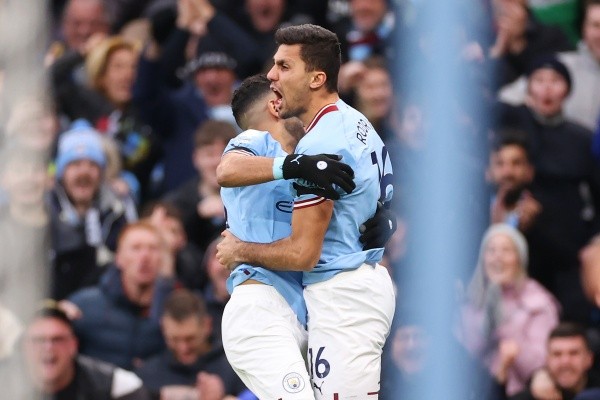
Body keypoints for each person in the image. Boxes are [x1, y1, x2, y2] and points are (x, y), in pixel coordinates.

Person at [216, 24, 395, 398]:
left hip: (331, 299)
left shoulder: (321, 144)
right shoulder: (261, 142)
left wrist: (379, 217)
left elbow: (304, 252)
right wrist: (293, 168)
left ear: (316, 78)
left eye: (283, 67)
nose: (273, 76)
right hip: (265, 307)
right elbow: (226, 170)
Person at [457, 224, 560, 396]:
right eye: (491, 250)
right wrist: (491, 305)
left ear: (520, 259)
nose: (498, 257)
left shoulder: (539, 302)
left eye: (506, 250)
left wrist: (504, 327)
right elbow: (462, 357)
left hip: (522, 393)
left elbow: (540, 364)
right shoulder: (468, 302)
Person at [64, 221, 175, 370]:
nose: (145, 256)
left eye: (153, 249)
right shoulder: (84, 305)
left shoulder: (174, 308)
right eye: (136, 248)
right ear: (119, 258)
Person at [49, 120, 137, 300]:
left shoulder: (118, 207)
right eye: (75, 164)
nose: (84, 172)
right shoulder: (45, 207)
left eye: (92, 165)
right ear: (61, 173)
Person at [135, 289, 251, 399]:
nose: (183, 348)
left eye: (190, 338)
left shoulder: (237, 368)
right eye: (174, 339)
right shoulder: (148, 376)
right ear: (163, 329)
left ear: (207, 325)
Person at [16, 304, 150, 399]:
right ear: (24, 347)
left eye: (57, 339)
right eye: (38, 340)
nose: (48, 347)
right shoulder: (5, 384)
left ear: (73, 345)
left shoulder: (117, 385)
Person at [510, 322, 600, 400]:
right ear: (547, 360)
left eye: (573, 353)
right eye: (557, 354)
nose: (565, 362)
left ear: (589, 359)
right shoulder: (533, 395)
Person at [486, 131, 540, 232]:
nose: (507, 172)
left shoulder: (541, 216)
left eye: (516, 163)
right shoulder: (469, 215)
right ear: (488, 173)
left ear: (530, 172)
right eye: (499, 164)